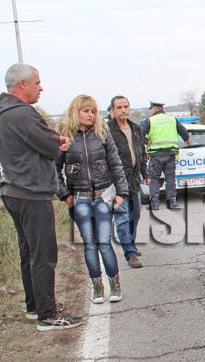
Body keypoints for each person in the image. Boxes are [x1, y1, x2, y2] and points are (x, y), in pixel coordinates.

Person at [0, 63, 83, 332]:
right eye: (37, 83)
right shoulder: (22, 113)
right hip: (31, 192)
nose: (41, 88)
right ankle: (48, 314)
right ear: (23, 84)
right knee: (44, 255)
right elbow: (51, 146)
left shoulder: (2, 113)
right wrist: (60, 143)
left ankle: (34, 306)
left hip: (12, 190)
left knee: (28, 251)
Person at [56, 95, 129, 304]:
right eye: (86, 111)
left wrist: (121, 193)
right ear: (76, 112)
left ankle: (115, 286)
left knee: (104, 243)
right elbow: (54, 169)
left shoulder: (102, 134)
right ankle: (97, 288)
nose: (90, 115)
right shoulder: (65, 136)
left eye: (93, 111)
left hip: (103, 196)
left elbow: (115, 164)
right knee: (89, 244)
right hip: (79, 198)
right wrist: (65, 195)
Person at [107, 95, 148, 268]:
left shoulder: (136, 128)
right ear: (113, 111)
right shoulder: (107, 130)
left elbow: (141, 151)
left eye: (126, 106)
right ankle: (129, 252)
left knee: (135, 214)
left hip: (134, 179)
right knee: (122, 216)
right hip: (117, 181)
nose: (123, 110)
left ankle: (130, 241)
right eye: (119, 107)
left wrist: (145, 172)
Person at [141, 101, 190, 210]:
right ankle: (171, 202)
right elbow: (183, 131)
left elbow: (140, 133)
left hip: (155, 154)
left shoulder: (150, 120)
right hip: (170, 154)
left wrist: (146, 141)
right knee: (170, 178)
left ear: (153, 109)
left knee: (154, 179)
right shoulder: (172, 119)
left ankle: (154, 204)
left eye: (151, 109)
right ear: (162, 108)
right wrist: (186, 139)